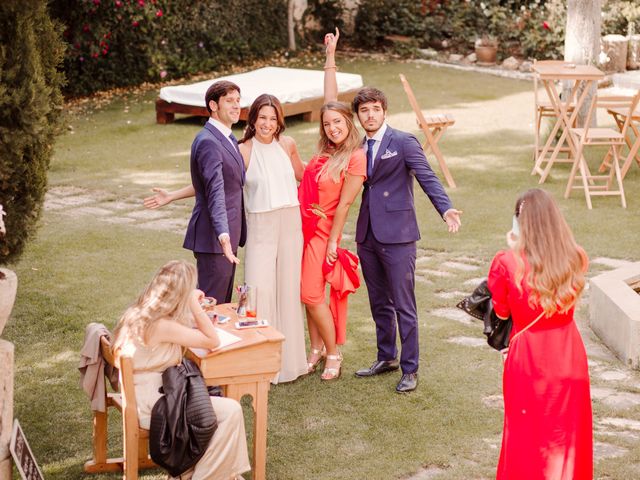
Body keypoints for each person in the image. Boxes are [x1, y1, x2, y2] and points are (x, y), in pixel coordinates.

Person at [144, 95, 308, 384]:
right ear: (253, 119)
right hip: (260, 226)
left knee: (288, 290)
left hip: (291, 224)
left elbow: (307, 176)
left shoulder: (288, 145)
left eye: (273, 118)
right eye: (262, 118)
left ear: (279, 121)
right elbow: (211, 183)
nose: (267, 124)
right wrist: (171, 195)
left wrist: (339, 165)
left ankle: (290, 362)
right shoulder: (242, 149)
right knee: (258, 291)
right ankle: (257, 364)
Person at [325, 74, 462, 393]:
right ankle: (387, 357)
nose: (370, 115)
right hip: (367, 234)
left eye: (375, 109)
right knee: (378, 301)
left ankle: (410, 368)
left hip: (399, 235)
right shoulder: (355, 146)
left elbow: (427, 177)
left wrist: (446, 209)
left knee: (404, 303)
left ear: (384, 111)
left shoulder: (403, 142)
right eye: (364, 111)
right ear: (357, 116)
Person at [112, 260, 251, 480]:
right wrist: (194, 305)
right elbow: (212, 340)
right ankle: (209, 476)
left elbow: (179, 329)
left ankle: (213, 473)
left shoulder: (141, 312)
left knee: (222, 410)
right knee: (231, 411)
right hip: (156, 404)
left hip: (148, 393)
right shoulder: (161, 326)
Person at [488, 188, 592, 480]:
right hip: (569, 356)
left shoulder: (507, 263)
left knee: (525, 436)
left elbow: (502, 313)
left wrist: (512, 249)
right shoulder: (576, 257)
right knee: (567, 435)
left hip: (529, 360)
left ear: (521, 223)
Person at [298, 29, 366, 381]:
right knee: (306, 295)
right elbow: (330, 98)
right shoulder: (324, 150)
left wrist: (334, 242)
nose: (332, 126)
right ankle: (315, 348)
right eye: (328, 123)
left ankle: (334, 354)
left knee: (311, 294)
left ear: (348, 123)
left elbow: (345, 206)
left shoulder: (354, 158)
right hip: (302, 227)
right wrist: (329, 57)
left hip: (324, 232)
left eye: (338, 122)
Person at [184, 80, 245, 303]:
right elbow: (215, 191)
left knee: (223, 307)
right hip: (215, 239)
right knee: (211, 307)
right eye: (229, 101)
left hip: (226, 237)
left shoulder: (227, 138)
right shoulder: (208, 141)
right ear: (213, 105)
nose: (236, 105)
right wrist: (223, 236)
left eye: (238, 100)